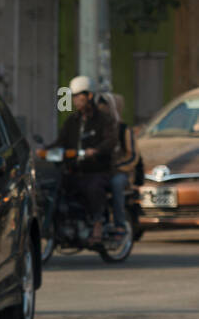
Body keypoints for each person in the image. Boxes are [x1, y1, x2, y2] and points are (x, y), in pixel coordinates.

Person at [45, 75, 118, 245]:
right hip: (74, 170)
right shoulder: (72, 121)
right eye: (74, 97)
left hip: (98, 170)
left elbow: (111, 140)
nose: (76, 100)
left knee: (93, 187)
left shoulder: (104, 119)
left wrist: (96, 151)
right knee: (55, 186)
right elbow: (61, 141)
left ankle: (98, 224)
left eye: (79, 96)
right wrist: (44, 151)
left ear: (89, 96)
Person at [99, 92, 143, 234]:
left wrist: (117, 167)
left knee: (116, 183)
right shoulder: (97, 128)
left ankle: (119, 224)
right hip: (101, 170)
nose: (102, 110)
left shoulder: (124, 129)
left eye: (105, 107)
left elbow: (133, 156)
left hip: (122, 173)